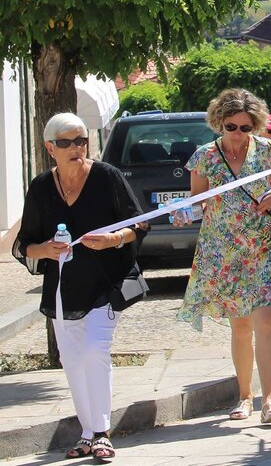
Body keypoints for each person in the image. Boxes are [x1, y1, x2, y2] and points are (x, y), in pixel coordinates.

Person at [13, 113, 147, 460]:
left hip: (106, 280)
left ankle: (101, 431)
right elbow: (25, 244)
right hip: (64, 286)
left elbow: (139, 224)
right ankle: (88, 433)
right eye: (66, 143)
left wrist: (114, 238)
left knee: (93, 350)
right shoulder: (41, 187)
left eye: (81, 140)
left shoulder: (106, 177)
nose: (75, 148)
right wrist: (46, 250)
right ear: (49, 148)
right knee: (71, 359)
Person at [175, 88, 271, 424]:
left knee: (265, 322)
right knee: (241, 327)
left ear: (255, 125)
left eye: (246, 127)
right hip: (224, 251)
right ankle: (245, 396)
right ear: (220, 123)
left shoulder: (270, 150)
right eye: (232, 127)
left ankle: (269, 400)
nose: (239, 134)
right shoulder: (205, 157)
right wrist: (185, 213)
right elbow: (198, 201)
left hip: (263, 247)